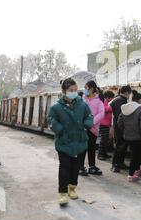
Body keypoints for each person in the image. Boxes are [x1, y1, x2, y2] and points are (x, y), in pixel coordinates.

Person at [47, 78, 93, 206]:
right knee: (64, 168)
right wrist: (60, 130)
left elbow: (89, 116)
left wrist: (86, 126)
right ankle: (62, 193)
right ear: (63, 91)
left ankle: (72, 188)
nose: (73, 92)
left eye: (75, 90)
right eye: (70, 90)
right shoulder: (56, 107)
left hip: (79, 141)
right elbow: (51, 120)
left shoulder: (83, 105)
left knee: (76, 167)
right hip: (64, 142)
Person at [117, 91, 141, 182]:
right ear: (140, 100)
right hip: (138, 137)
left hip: (127, 136)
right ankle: (131, 174)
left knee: (133, 155)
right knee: (136, 156)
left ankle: (136, 170)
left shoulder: (125, 109)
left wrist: (125, 130)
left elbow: (119, 123)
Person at [79, 80, 104, 176]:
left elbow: (101, 113)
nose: (85, 90)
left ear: (92, 89)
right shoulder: (82, 99)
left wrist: (92, 122)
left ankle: (92, 166)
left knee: (91, 147)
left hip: (93, 129)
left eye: (86, 88)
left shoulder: (98, 101)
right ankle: (80, 167)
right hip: (83, 127)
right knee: (82, 148)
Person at [110, 85, 132, 173]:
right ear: (127, 93)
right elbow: (121, 117)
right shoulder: (121, 101)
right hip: (120, 128)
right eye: (129, 93)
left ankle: (120, 163)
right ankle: (115, 164)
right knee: (119, 146)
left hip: (118, 127)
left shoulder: (117, 99)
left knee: (122, 146)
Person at [98, 90, 115, 160]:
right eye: (111, 98)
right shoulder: (104, 101)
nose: (112, 100)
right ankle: (100, 154)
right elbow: (103, 109)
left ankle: (104, 153)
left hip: (106, 124)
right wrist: (112, 106)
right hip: (103, 124)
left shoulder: (107, 102)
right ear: (108, 97)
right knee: (103, 140)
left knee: (105, 140)